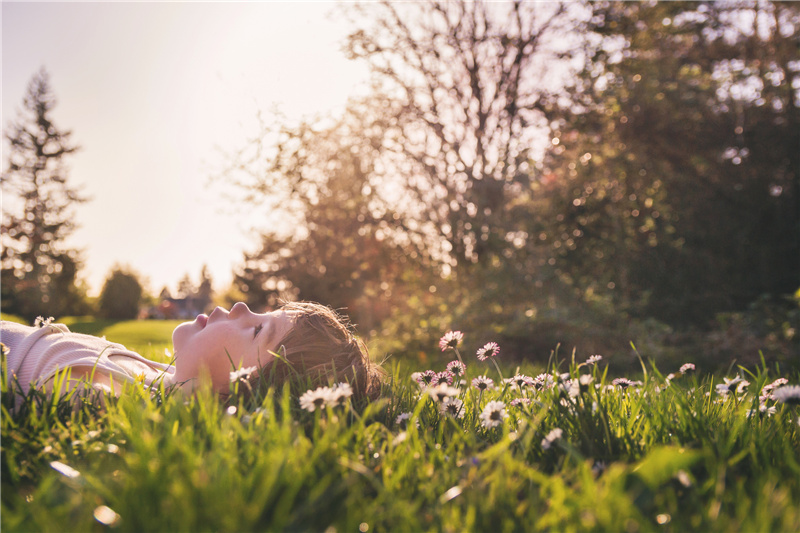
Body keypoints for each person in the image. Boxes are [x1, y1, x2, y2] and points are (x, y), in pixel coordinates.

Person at [1, 301, 383, 402]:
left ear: (243, 386)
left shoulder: (117, 397)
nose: (240, 308)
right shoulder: (161, 379)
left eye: (256, 329)